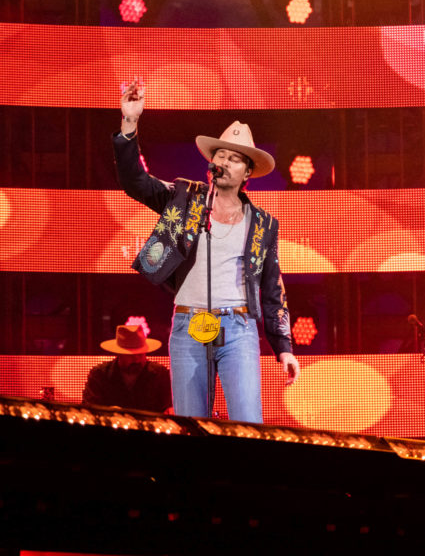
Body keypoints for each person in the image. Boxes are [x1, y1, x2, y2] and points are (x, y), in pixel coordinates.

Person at [114, 77, 299, 423]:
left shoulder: (262, 225)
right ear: (210, 164)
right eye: (220, 155)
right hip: (189, 324)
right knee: (190, 428)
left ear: (248, 173)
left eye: (234, 158)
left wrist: (284, 347)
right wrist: (130, 122)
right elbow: (134, 182)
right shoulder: (184, 199)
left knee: (247, 424)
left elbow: (273, 290)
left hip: (239, 328)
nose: (225, 162)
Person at [82, 324, 172, 413]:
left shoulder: (161, 374)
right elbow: (89, 410)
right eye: (131, 355)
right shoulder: (99, 375)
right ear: (119, 354)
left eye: (141, 354)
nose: (137, 359)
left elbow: (170, 407)